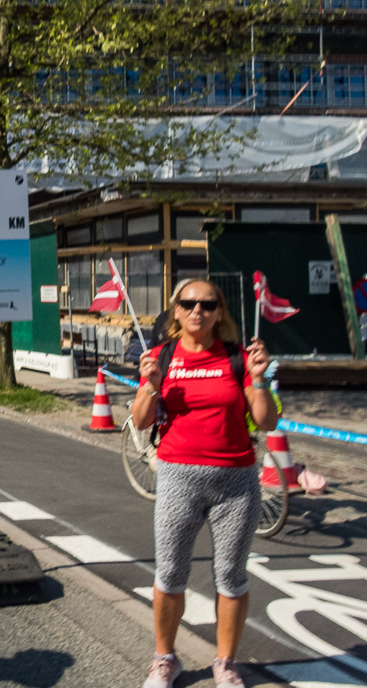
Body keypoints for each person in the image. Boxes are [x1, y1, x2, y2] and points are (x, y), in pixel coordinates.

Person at [131, 279, 277, 688]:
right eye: (189, 303)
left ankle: (225, 664)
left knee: (231, 576)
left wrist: (260, 378)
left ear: (219, 312)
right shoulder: (162, 355)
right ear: (176, 311)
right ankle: (165, 660)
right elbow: (142, 421)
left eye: (207, 304)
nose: (198, 310)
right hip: (179, 477)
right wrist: (150, 384)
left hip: (237, 483)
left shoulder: (236, 358)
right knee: (170, 574)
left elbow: (266, 422)